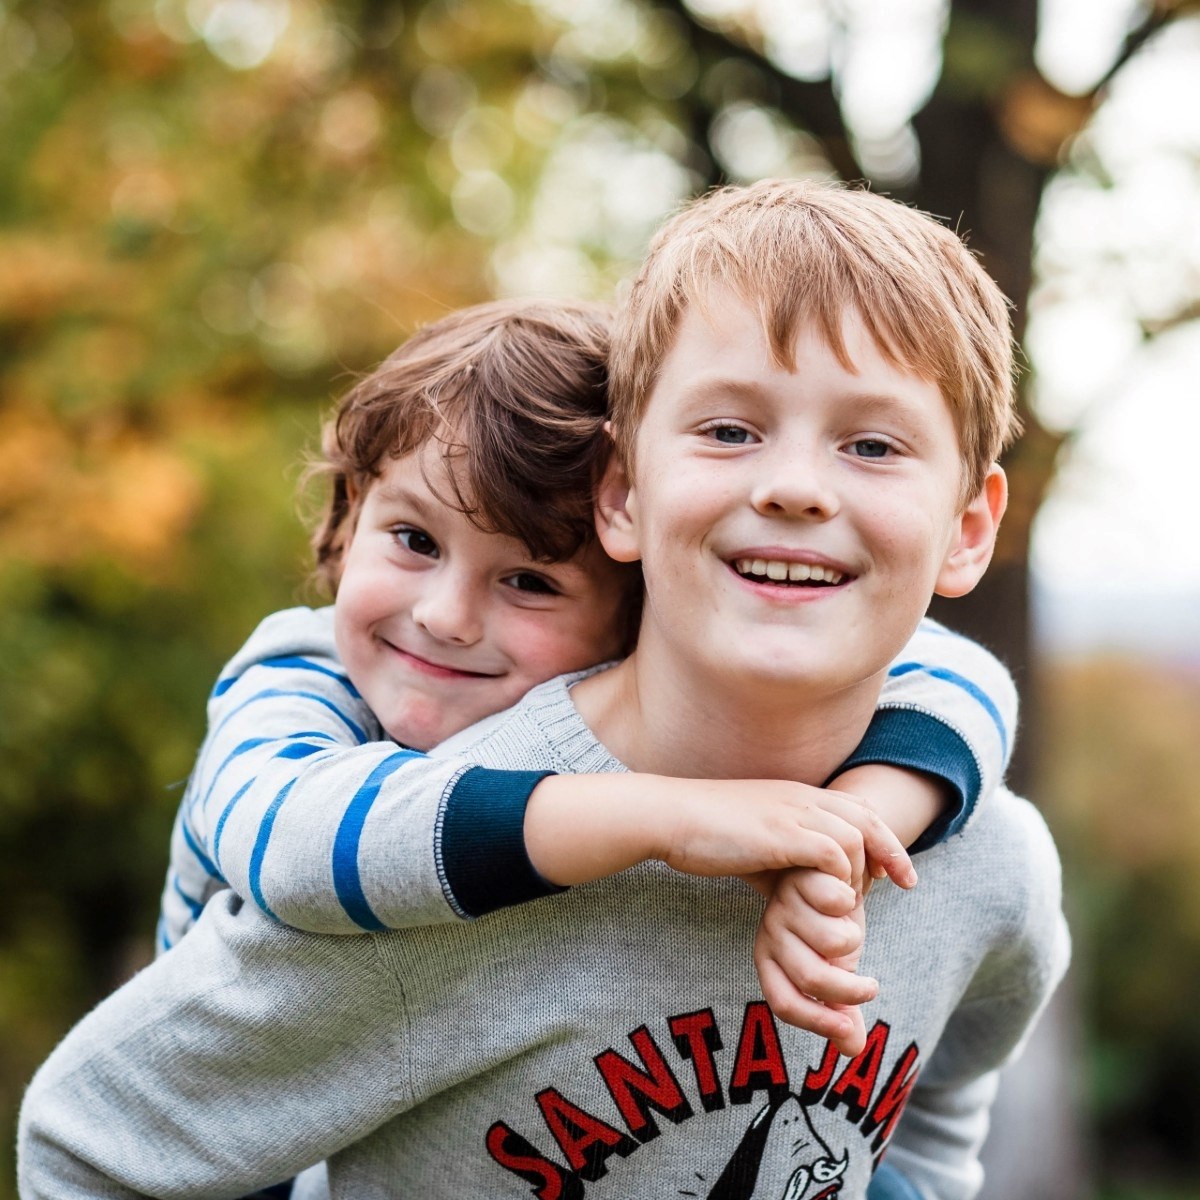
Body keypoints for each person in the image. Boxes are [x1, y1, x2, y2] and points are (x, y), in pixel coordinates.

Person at [17, 181, 1067, 1200]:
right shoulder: (440, 869)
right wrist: (658, 819)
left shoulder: (983, 859)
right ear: (622, 492)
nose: (793, 484)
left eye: (873, 445)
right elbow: (90, 1139)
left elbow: (956, 1064)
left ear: (969, 528)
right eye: (729, 429)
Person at [158, 297, 1015, 1058]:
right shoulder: (299, 677)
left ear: (634, 611)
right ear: (348, 518)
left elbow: (962, 676)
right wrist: (666, 816)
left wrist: (847, 838)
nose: (444, 616)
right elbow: (290, 850)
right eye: (413, 541)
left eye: (530, 581)